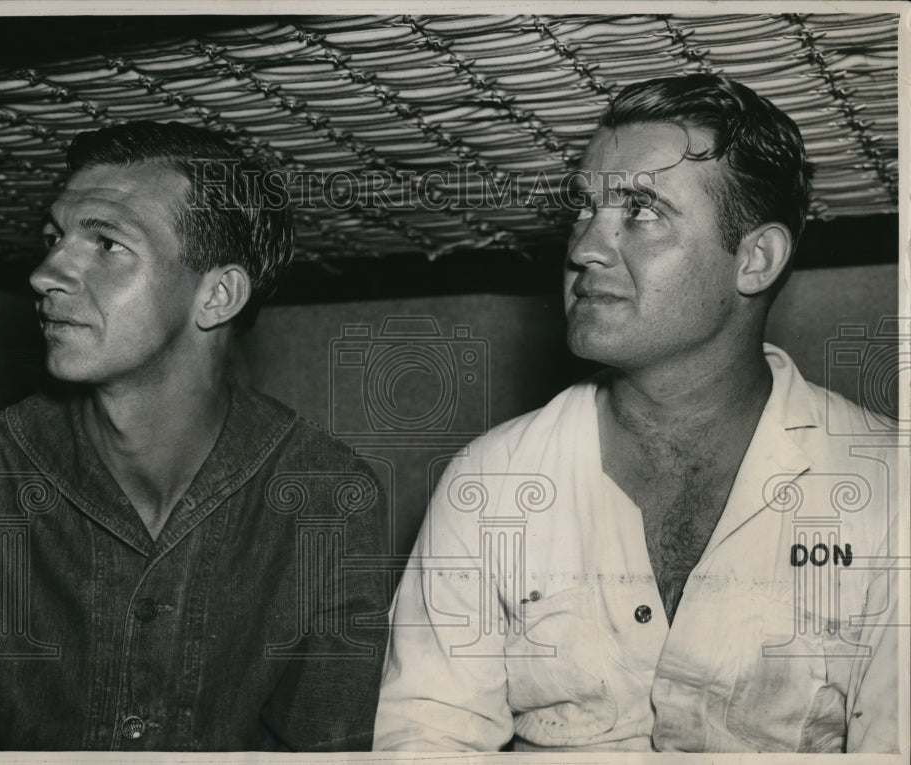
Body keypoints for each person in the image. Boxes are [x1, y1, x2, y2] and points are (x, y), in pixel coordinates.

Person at [373, 75, 901, 753]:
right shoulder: (491, 482)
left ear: (756, 258)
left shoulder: (889, 487)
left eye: (641, 210)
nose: (585, 248)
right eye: (584, 210)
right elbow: (422, 736)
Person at [0, 121, 389, 751]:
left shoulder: (330, 497)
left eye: (108, 244)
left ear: (218, 295)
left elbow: (325, 748)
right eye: (54, 237)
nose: (45, 272)